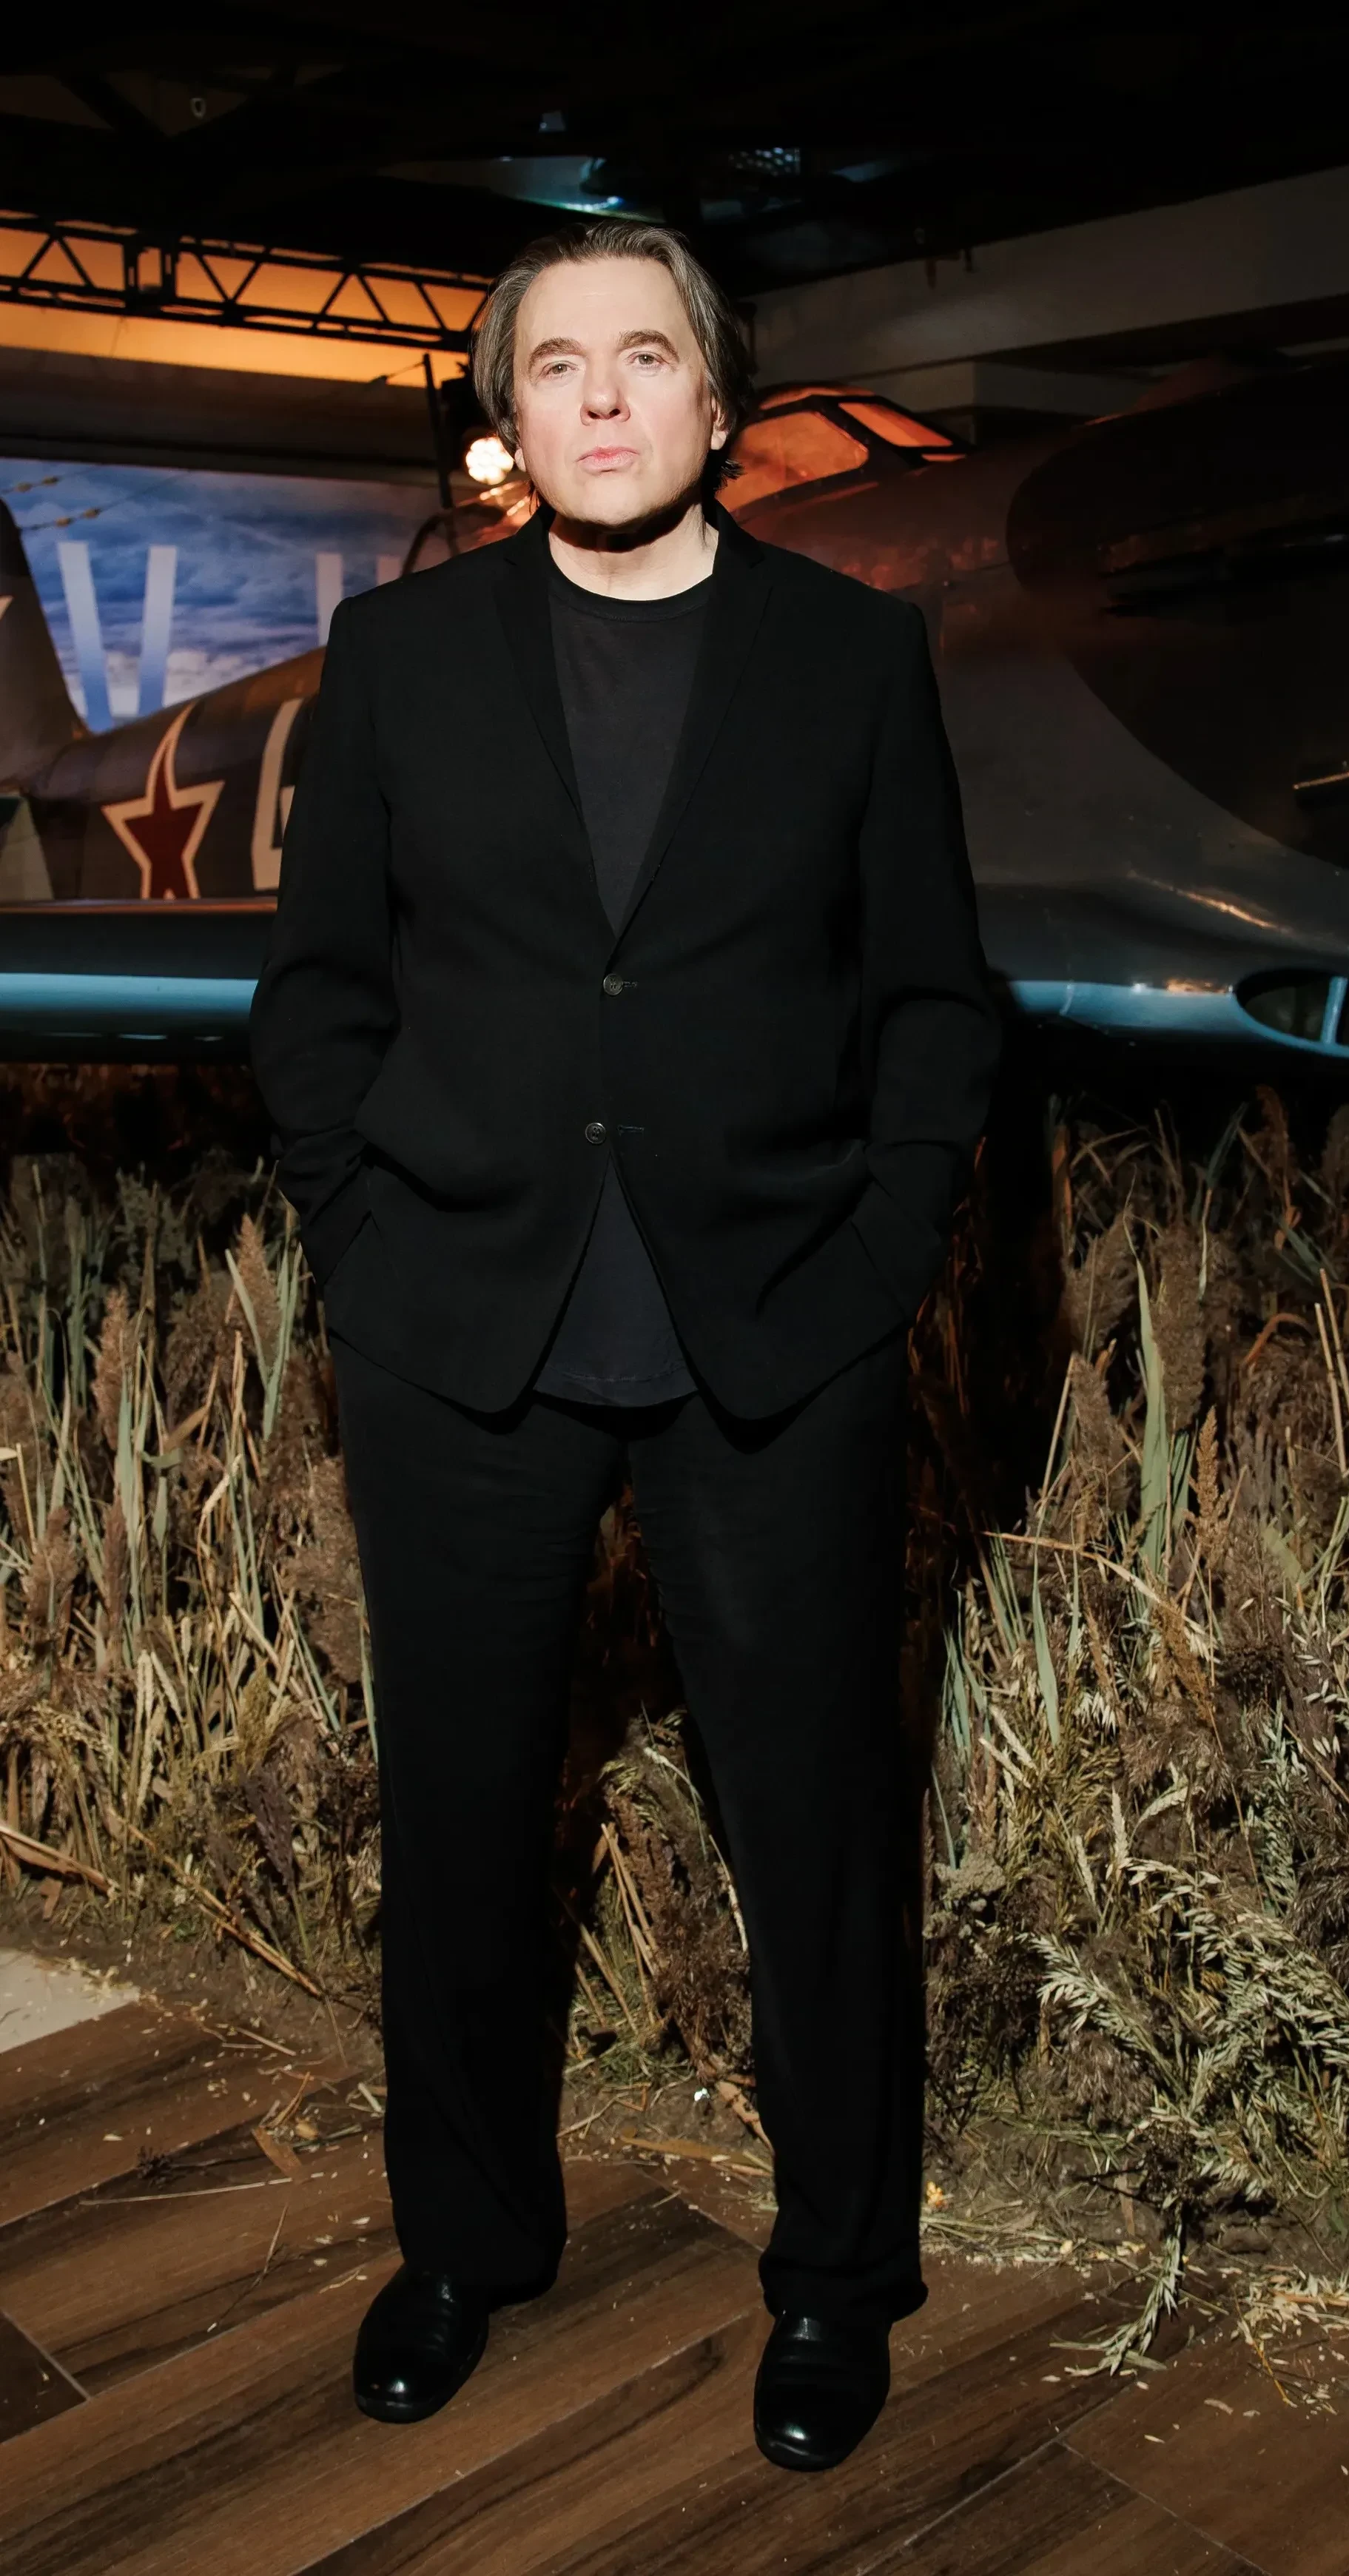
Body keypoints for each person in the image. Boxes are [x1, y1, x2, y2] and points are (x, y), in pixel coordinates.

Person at [249, 215, 1000, 2475]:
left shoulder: (851, 658)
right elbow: (319, 990)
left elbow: (931, 999)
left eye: (644, 353)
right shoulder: (397, 655)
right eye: (557, 360)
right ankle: (462, 2245)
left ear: (715, 400)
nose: (598, 392)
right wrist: (362, 1239)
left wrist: (875, 1261)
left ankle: (839, 2277)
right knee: (466, 1817)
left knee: (816, 1826)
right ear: (509, 417)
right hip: (458, 1325)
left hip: (769, 1329)